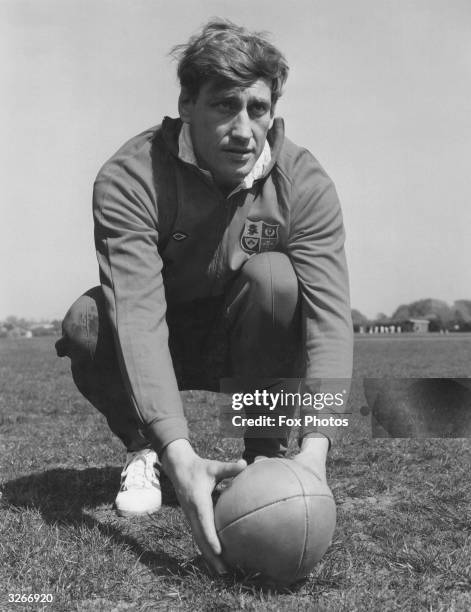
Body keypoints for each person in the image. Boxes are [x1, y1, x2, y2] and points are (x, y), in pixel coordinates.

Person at [56, 19, 353, 574]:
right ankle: (146, 452)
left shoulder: (305, 183)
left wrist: (316, 451)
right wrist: (176, 447)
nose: (244, 129)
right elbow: (140, 318)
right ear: (187, 105)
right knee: (87, 322)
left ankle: (263, 457)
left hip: (241, 341)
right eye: (224, 106)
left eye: (258, 109)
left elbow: (329, 322)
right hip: (159, 341)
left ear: (274, 110)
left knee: (274, 279)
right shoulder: (130, 176)